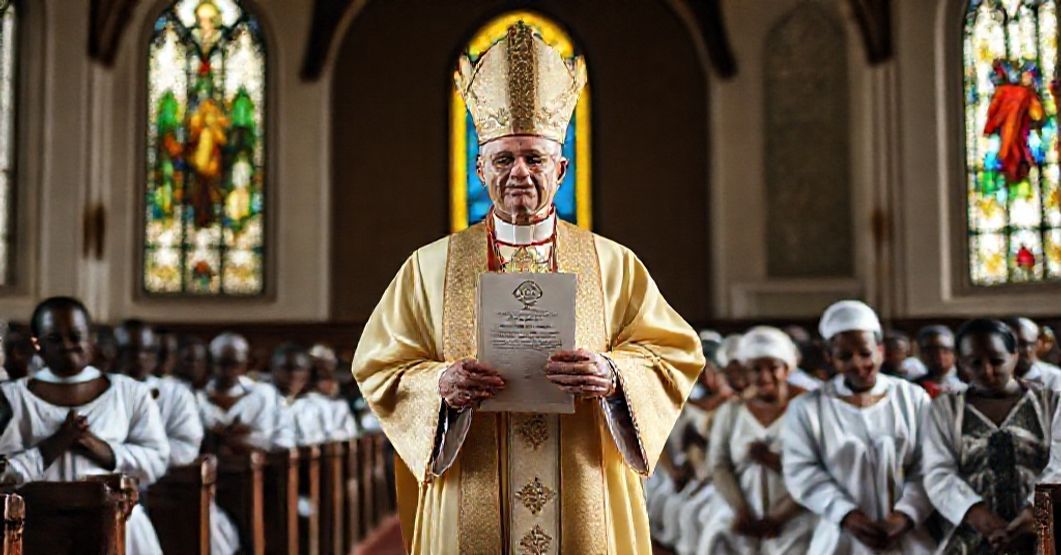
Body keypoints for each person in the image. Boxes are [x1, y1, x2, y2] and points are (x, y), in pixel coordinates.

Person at [351, 22, 704, 553]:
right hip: (471, 479)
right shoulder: (428, 268)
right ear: (480, 167)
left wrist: (614, 374)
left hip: (584, 484)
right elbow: (380, 367)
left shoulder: (614, 264)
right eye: (504, 158)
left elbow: (674, 353)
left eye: (534, 158)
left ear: (560, 169)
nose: (519, 172)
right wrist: (440, 385)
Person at [0, 297, 169, 554]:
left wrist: (98, 447)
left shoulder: (130, 392)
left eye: (76, 336)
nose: (68, 346)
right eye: (55, 339)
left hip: (120, 523)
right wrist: (54, 445)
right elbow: (4, 474)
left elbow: (157, 459)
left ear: (92, 338)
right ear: (37, 344)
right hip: (39, 527)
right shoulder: (12, 396)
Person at [783, 300, 936, 554]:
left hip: (907, 534)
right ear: (829, 357)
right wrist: (847, 514)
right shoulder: (808, 408)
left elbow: (930, 462)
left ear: (880, 351)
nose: (857, 364)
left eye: (865, 354)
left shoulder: (912, 398)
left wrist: (906, 514)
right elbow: (801, 470)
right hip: (841, 536)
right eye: (845, 356)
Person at [922, 319, 1061, 553]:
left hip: (1043, 529)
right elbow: (938, 472)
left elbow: (1059, 464)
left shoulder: (1051, 403)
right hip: (974, 534)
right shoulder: (945, 409)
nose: (987, 371)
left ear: (1014, 356)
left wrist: (1034, 511)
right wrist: (976, 513)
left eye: (997, 361)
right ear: (961, 363)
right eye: (975, 363)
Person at [697, 326, 815, 554]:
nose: (764, 376)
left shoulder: (807, 409)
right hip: (741, 508)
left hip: (796, 511)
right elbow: (719, 465)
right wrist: (741, 510)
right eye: (755, 369)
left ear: (787, 369)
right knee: (717, 537)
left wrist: (778, 516)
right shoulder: (731, 412)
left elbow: (816, 469)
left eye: (773, 368)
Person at [197, 332, 294, 455]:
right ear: (210, 363)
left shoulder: (264, 394)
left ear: (246, 363)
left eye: (234, 364)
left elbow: (281, 438)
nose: (227, 371)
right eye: (221, 363)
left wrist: (237, 440)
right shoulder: (196, 397)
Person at [270, 343, 325, 446]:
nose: (293, 375)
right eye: (287, 369)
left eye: (299, 369)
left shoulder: (315, 406)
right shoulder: (261, 401)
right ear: (273, 369)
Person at [306, 344, 358, 441]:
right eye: (326, 378)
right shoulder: (308, 403)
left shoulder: (341, 404)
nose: (334, 384)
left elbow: (352, 432)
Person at [1006, 317, 1061, 390]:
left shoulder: (1054, 377)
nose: (1027, 350)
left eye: (1031, 344)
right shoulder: (994, 377)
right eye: (1019, 344)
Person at [912, 325, 966, 398]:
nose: (939, 355)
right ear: (921, 354)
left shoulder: (969, 383)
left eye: (945, 349)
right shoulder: (913, 387)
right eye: (930, 350)